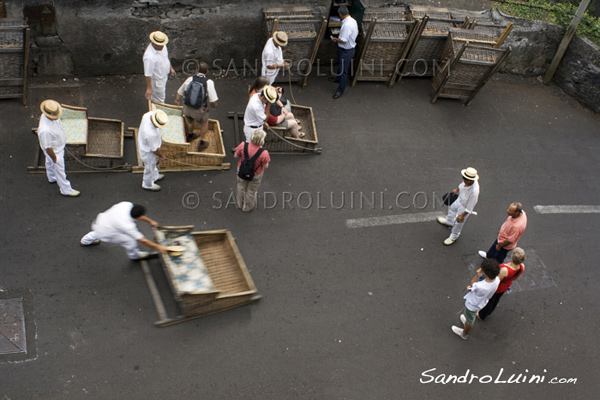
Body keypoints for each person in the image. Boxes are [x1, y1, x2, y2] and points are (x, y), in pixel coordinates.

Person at [80, 202, 168, 260]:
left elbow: (138, 215)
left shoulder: (126, 204)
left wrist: (150, 221)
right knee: (130, 241)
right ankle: (135, 256)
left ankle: (85, 241)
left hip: (99, 222)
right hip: (107, 232)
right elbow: (142, 240)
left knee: (97, 232)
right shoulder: (128, 225)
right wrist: (159, 247)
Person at [37, 100, 80, 197]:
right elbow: (48, 148)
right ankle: (66, 189)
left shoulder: (46, 116)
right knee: (59, 169)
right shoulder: (45, 130)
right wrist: (55, 158)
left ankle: (51, 177)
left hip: (56, 147)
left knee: (49, 162)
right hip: (55, 151)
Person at [452, 259, 500, 340]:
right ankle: (467, 321)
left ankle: (464, 333)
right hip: (481, 302)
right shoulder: (497, 280)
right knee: (470, 316)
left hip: (472, 305)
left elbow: (471, 285)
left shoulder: (480, 286)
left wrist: (478, 274)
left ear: (485, 272)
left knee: (470, 320)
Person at [175, 61, 218, 150]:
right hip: (199, 110)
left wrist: (177, 100)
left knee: (190, 121)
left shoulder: (189, 79)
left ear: (196, 70)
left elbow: (179, 92)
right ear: (207, 72)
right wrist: (214, 105)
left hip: (187, 108)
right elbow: (213, 101)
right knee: (204, 122)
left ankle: (190, 135)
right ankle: (202, 141)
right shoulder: (208, 82)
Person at [478, 248, 526, 320]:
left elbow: (496, 281)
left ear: (512, 256)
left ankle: (482, 315)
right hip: (506, 285)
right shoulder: (522, 266)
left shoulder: (504, 270)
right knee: (496, 300)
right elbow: (515, 277)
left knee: (490, 301)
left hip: (498, 288)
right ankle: (489, 312)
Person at [437, 167, 480, 245]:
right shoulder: (466, 180)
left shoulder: (474, 192)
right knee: (451, 209)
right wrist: (457, 190)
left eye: (466, 181)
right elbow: (462, 185)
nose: (465, 182)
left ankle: (454, 236)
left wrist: (462, 215)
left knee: (458, 223)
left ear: (471, 180)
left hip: (464, 207)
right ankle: (449, 222)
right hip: (459, 200)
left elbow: (470, 207)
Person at [234, 129, 270, 212]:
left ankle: (240, 204)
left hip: (242, 171)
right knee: (251, 191)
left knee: (241, 186)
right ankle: (247, 207)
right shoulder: (264, 153)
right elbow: (266, 165)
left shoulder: (243, 145)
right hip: (256, 174)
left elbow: (236, 155)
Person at [329, 6, 358, 99]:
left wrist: (335, 39)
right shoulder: (352, 20)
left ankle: (340, 90)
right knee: (341, 67)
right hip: (347, 49)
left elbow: (343, 40)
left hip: (346, 50)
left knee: (343, 71)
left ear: (340, 14)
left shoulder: (346, 25)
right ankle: (337, 79)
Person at [138, 109, 168, 191]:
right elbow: (154, 149)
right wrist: (162, 155)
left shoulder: (147, 115)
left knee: (153, 165)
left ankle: (155, 176)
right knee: (149, 168)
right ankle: (147, 184)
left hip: (146, 145)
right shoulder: (150, 133)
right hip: (148, 153)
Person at [143, 31, 176, 103]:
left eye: (162, 45)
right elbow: (148, 75)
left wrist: (170, 68)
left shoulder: (162, 45)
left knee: (158, 97)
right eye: (159, 45)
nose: (162, 47)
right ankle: (158, 112)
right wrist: (149, 88)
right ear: (154, 43)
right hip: (157, 81)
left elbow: (165, 57)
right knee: (159, 100)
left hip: (163, 76)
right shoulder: (149, 57)